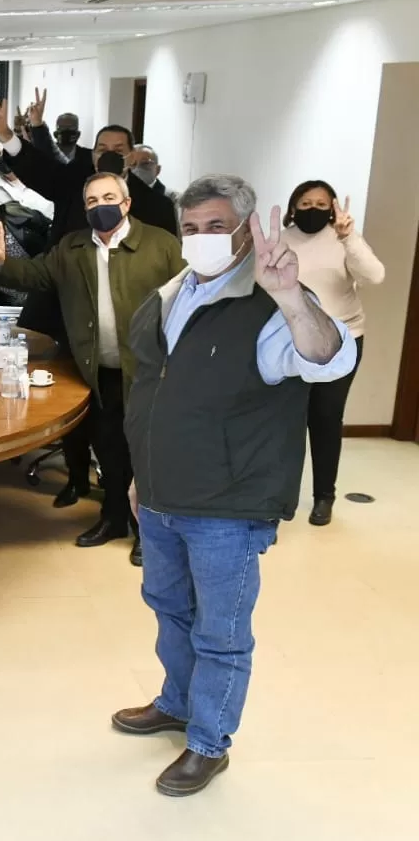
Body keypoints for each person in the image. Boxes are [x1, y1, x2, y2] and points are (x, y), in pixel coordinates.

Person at [118, 175, 358, 796]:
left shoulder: (272, 304)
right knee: (169, 608)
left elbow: (329, 358)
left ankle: (208, 742)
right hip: (164, 492)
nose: (201, 240)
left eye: (216, 227)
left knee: (220, 630)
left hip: (227, 504)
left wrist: (291, 297)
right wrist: (143, 478)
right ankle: (176, 701)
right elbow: (155, 388)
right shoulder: (173, 292)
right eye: (191, 229)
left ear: (249, 232)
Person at [0, 172, 184, 565]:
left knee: (145, 454)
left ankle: (148, 531)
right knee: (108, 451)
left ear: (126, 204)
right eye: (92, 201)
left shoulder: (161, 245)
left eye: (108, 197)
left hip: (148, 371)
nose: (100, 206)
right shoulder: (72, 247)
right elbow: (37, 275)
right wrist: (3, 262)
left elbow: (186, 300)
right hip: (100, 370)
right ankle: (113, 518)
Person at [282, 180, 383, 525]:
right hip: (289, 343)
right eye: (306, 203)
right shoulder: (281, 240)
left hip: (343, 342)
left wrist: (349, 238)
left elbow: (375, 276)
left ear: (334, 208)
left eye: (322, 204)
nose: (314, 209)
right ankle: (280, 496)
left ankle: (324, 496)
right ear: (293, 207)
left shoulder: (343, 240)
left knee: (325, 419)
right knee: (286, 421)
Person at [0, 91, 179, 247]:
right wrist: (4, 133)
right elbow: (37, 168)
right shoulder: (71, 182)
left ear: (132, 157)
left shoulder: (157, 206)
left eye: (118, 150)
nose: (109, 156)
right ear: (92, 154)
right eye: (102, 149)